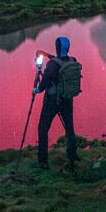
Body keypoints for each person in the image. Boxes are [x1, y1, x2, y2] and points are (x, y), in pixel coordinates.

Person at [34, 36, 80, 171]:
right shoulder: (72, 61)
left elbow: (43, 85)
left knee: (43, 128)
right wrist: (47, 55)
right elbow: (59, 61)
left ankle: (43, 162)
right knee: (69, 128)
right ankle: (72, 157)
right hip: (67, 99)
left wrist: (35, 90)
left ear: (57, 47)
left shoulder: (52, 65)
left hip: (52, 101)